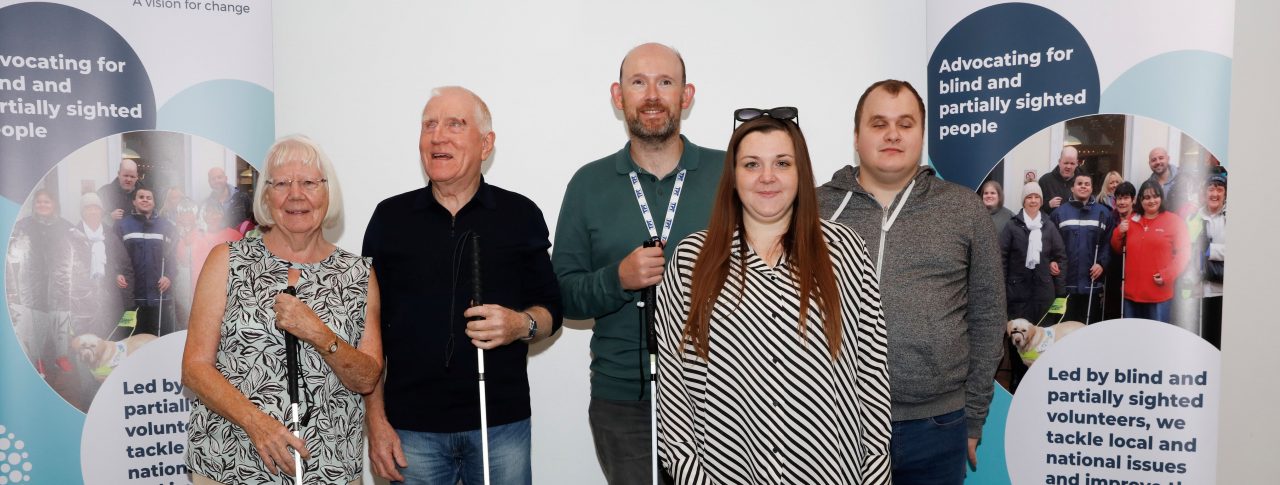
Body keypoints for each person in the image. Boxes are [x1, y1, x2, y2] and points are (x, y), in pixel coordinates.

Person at [656, 113, 890, 484]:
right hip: (727, 471)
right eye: (752, 164)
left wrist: (875, 473)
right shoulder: (691, 259)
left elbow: (872, 372)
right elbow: (673, 387)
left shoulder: (844, 250)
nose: (768, 177)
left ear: (801, 173)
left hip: (831, 470)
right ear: (733, 177)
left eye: (782, 163)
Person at [363, 86, 562, 485]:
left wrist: (520, 325)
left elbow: (551, 310)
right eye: (429, 125)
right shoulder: (390, 218)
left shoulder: (519, 214)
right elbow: (366, 331)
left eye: (455, 124)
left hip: (500, 425)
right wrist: (376, 421)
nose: (438, 136)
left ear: (486, 143)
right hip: (410, 430)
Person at [552, 42, 723, 484]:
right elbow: (562, 295)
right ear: (618, 95)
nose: (652, 95)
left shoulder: (730, 175)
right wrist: (618, 279)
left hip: (721, 395)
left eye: (665, 82)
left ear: (686, 96)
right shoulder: (588, 184)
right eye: (638, 82)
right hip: (624, 401)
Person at [817, 80, 1005, 484]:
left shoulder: (963, 208)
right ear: (856, 135)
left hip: (937, 426)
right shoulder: (815, 208)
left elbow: (989, 317)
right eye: (879, 123)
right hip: (832, 424)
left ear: (921, 134)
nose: (892, 134)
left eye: (905, 123)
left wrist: (973, 417)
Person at [183, 134, 384, 485]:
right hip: (232, 462)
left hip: (329, 467)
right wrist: (258, 423)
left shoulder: (357, 274)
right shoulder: (227, 261)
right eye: (281, 184)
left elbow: (367, 378)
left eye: (308, 182)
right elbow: (195, 368)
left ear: (328, 193)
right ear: (265, 196)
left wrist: (319, 333)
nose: (296, 194)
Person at [6, 189, 76, 377]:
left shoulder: (66, 227)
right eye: (39, 202)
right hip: (32, 284)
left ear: (54, 205)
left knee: (60, 321)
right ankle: (37, 360)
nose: (43, 205)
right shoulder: (23, 226)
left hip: (60, 285)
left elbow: (78, 254)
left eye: (47, 202)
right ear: (34, 205)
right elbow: (11, 255)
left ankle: (60, 356)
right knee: (35, 324)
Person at [1111, 180, 1190, 323]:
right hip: (1131, 296)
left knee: (1157, 340)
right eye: (1146, 197)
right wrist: (1118, 232)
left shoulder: (1174, 221)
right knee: (1133, 337)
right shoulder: (1132, 220)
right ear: (1140, 200)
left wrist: (1168, 274)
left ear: (1161, 198)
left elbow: (1184, 253)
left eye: (1155, 196)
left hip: (1158, 295)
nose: (1151, 201)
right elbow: (1117, 248)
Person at [1051, 173, 1113, 324]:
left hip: (1091, 285)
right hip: (1065, 285)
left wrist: (1102, 264)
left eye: (1087, 184)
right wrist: (1051, 261)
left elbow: (1108, 243)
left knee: (1088, 330)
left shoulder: (1103, 213)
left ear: (1092, 188)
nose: (1083, 186)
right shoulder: (1059, 213)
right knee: (1063, 329)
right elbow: (1050, 243)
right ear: (1072, 188)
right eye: (1079, 183)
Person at [1000, 182, 1067, 322]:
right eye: (1029, 197)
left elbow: (1060, 257)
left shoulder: (1049, 226)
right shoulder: (1012, 226)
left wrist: (1060, 291)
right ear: (1023, 201)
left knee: (1043, 336)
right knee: (1020, 339)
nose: (1033, 200)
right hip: (1017, 293)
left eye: (1037, 197)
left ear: (1041, 201)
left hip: (1044, 293)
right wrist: (1002, 289)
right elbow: (1002, 258)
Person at [115, 187, 177, 336]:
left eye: (149, 197)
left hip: (159, 298)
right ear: (134, 202)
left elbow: (172, 257)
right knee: (131, 340)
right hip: (132, 299)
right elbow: (114, 255)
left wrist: (169, 275)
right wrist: (116, 273)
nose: (145, 200)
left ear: (154, 202)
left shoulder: (166, 226)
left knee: (160, 340)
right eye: (141, 197)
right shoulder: (122, 225)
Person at [69, 192, 131, 337]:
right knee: (87, 345)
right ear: (82, 212)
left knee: (111, 343)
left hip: (110, 302)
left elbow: (125, 266)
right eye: (88, 208)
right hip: (82, 304)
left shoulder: (110, 235)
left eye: (96, 208)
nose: (92, 211)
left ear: (101, 211)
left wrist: (128, 302)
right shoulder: (73, 236)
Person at [1197, 173, 1226, 347]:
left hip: (1221, 289)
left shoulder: (1231, 217)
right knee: (1201, 339)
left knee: (1218, 338)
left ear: (1225, 194)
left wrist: (1210, 251)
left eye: (1219, 189)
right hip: (1197, 289)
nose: (1215, 194)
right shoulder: (1194, 217)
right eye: (1211, 189)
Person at [1102, 182, 1137, 320]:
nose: (1122, 202)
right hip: (1113, 270)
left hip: (1132, 270)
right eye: (1119, 199)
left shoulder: (1139, 218)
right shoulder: (1110, 217)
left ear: (1133, 200)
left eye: (1126, 198)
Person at [205, 166, 254, 232]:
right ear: (209, 182)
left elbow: (253, 222)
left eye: (219, 177)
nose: (216, 181)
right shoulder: (207, 204)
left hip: (239, 241)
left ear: (226, 178)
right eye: (213, 179)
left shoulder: (242, 197)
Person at [96, 158, 142, 223]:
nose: (129, 179)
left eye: (132, 176)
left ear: (137, 177)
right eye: (125, 175)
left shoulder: (145, 195)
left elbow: (152, 216)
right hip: (112, 232)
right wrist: (109, 216)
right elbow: (92, 217)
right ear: (119, 174)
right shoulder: (104, 193)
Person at [1037, 146, 1079, 217]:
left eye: (1072, 163)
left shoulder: (1082, 182)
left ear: (1077, 163)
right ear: (1059, 162)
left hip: (1074, 226)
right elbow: (1035, 207)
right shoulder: (1045, 180)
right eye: (1066, 163)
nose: (1068, 166)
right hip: (1052, 226)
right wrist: (1048, 205)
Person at [1147, 147, 1183, 212]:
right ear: (1149, 164)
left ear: (1168, 159)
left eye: (1161, 158)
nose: (1158, 162)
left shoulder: (1182, 179)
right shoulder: (1148, 185)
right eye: (1153, 160)